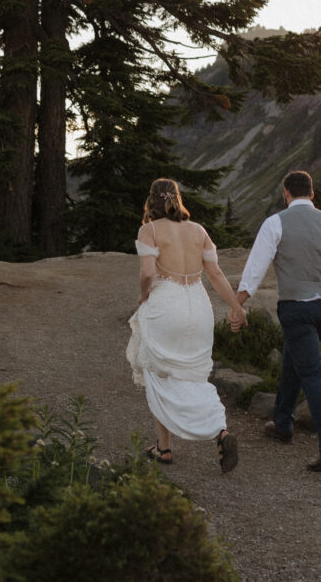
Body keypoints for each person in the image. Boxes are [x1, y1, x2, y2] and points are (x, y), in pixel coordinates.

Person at [237, 171, 321, 471]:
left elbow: (256, 268)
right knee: (294, 360)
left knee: (311, 374)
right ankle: (282, 423)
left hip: (296, 309)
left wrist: (236, 304)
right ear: (312, 194)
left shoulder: (276, 222)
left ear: (286, 194)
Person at [126, 178, 248, 473]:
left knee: (157, 371)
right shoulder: (198, 231)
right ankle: (220, 431)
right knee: (193, 375)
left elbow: (146, 272)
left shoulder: (149, 230)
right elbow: (216, 274)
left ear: (151, 201)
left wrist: (143, 295)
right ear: (178, 199)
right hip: (198, 306)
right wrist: (235, 307)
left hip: (166, 306)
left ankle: (164, 448)